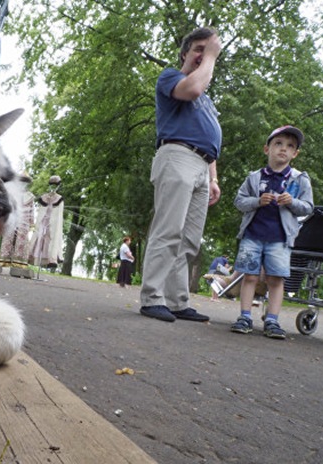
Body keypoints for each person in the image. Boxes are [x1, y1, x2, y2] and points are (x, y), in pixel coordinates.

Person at [139, 27, 222, 323]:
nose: (203, 54)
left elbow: (209, 139)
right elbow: (193, 89)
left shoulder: (208, 102)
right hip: (177, 156)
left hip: (202, 165)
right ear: (185, 53)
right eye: (198, 48)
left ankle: (177, 301)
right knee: (168, 230)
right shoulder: (171, 77)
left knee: (190, 239)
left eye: (207, 49)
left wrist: (213, 178)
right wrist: (211, 55)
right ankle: (152, 297)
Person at [230, 125, 314, 339]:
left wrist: (292, 202)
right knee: (249, 276)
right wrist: (257, 201)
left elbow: (308, 207)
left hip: (280, 239)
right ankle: (245, 316)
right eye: (278, 144)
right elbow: (239, 201)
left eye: (290, 146)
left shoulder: (299, 179)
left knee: (276, 279)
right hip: (253, 236)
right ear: (267, 149)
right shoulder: (254, 177)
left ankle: (272, 320)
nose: (283, 149)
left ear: (295, 153)